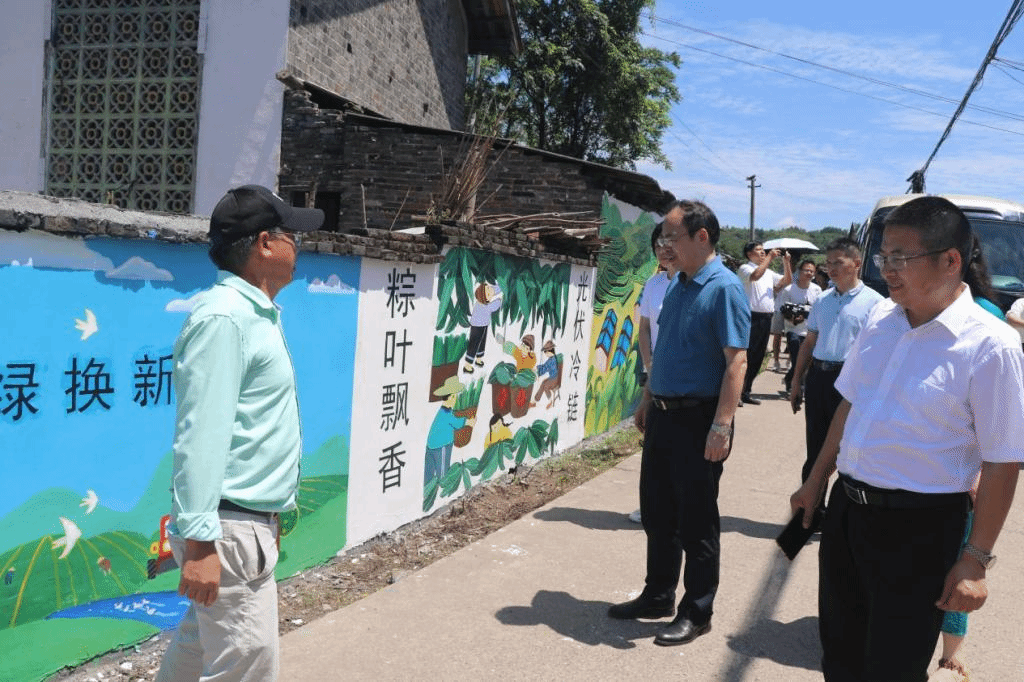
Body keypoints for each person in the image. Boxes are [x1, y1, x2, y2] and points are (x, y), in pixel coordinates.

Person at [791, 196, 1024, 681]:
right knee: (840, 657)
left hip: (920, 530)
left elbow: (1003, 460)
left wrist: (975, 559)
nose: (887, 269)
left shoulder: (991, 344)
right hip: (848, 515)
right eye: (883, 256)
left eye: (901, 258)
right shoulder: (882, 319)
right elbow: (850, 405)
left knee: (894, 667)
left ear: (950, 260)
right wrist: (815, 480)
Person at [157, 185, 324, 682]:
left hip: (240, 525)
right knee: (246, 667)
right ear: (265, 244)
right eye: (291, 234)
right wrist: (201, 541)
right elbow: (200, 432)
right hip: (227, 530)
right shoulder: (225, 318)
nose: (299, 244)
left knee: (197, 652)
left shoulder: (252, 314)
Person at [608, 200, 749, 647]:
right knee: (658, 511)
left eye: (672, 237)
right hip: (665, 416)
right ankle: (658, 595)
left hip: (699, 419)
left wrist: (722, 425)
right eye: (663, 238)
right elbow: (665, 348)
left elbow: (736, 362)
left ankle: (697, 611)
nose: (665, 245)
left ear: (701, 237)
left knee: (697, 521)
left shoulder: (723, 288)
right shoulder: (677, 284)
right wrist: (648, 399)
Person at [789, 238, 882, 526]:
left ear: (856, 264)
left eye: (838, 263)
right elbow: (809, 342)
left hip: (851, 382)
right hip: (820, 378)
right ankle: (811, 514)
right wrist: (796, 380)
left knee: (847, 450)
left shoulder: (876, 304)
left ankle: (844, 517)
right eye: (828, 263)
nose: (831, 268)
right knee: (815, 447)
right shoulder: (822, 300)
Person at [629, 222, 682, 524]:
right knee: (653, 443)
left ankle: (676, 509)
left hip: (685, 380)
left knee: (680, 447)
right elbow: (645, 329)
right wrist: (650, 368)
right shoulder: (654, 284)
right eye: (658, 244)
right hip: (656, 375)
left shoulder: (694, 283)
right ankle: (653, 506)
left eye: (670, 242)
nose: (664, 249)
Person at [738, 241, 790, 404]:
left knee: (758, 356)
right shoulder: (745, 268)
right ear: (749, 254)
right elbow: (755, 276)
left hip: (766, 318)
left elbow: (786, 282)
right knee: (747, 356)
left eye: (763, 250)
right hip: (750, 317)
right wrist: (770, 257)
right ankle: (737, 392)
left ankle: (746, 391)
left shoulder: (768, 272)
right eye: (758, 250)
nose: (762, 252)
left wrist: (786, 262)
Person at [776, 258, 822, 396]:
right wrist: (793, 318)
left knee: (806, 361)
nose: (809, 273)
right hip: (793, 330)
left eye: (812, 271)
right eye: (806, 270)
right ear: (799, 271)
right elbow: (783, 310)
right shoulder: (789, 290)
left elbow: (819, 310)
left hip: (810, 331)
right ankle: (797, 386)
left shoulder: (817, 290)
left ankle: (789, 379)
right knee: (797, 359)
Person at [425, 376, 474, 484]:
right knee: (443, 474)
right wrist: (469, 422)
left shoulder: (442, 411)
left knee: (428, 475)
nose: (455, 399)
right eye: (455, 396)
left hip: (430, 446)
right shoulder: (447, 414)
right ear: (451, 397)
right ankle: (443, 488)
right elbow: (458, 424)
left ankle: (429, 488)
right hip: (441, 446)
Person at [464, 282, 503, 373]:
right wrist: (500, 300)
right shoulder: (485, 306)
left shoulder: (483, 299)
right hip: (477, 326)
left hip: (483, 325)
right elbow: (494, 306)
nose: (490, 291)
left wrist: (502, 286)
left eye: (488, 288)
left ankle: (478, 359)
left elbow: (494, 290)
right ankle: (467, 364)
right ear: (485, 299)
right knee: (474, 343)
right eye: (488, 294)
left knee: (481, 342)